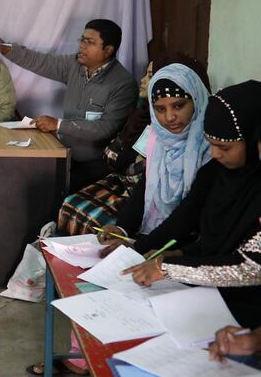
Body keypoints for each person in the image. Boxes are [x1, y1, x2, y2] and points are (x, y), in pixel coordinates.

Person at [112, 81, 261, 329]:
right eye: (211, 144)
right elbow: (216, 240)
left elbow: (251, 267)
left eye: (224, 147)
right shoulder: (219, 173)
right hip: (210, 291)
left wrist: (170, 267)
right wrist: (183, 254)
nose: (214, 154)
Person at [58, 60, 211, 235]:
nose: (170, 117)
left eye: (178, 106)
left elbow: (190, 214)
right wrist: (121, 229)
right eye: (160, 109)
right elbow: (145, 186)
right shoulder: (160, 139)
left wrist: (141, 245)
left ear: (196, 99)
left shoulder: (209, 148)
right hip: (156, 233)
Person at [0, 19, 138, 192]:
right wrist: (7, 49)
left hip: (98, 164)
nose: (82, 46)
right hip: (65, 153)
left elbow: (105, 128)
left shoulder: (123, 84)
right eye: (82, 40)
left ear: (108, 50)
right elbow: (41, 61)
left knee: (51, 191)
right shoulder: (75, 66)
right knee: (26, 178)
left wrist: (58, 124)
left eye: (89, 42)